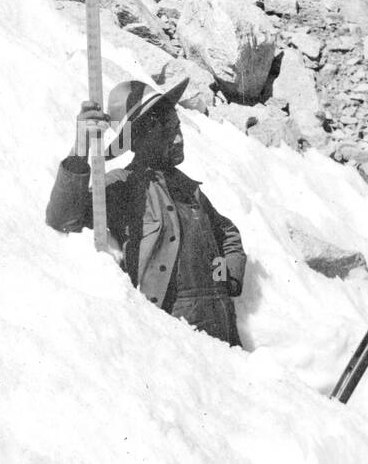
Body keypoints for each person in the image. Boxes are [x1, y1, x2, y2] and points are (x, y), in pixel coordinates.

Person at [45, 79, 247, 347]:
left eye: (177, 128)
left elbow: (227, 233)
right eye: (167, 132)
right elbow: (63, 218)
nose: (178, 138)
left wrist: (227, 279)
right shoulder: (122, 186)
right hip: (175, 335)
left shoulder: (189, 188)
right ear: (139, 138)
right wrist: (80, 151)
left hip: (223, 330)